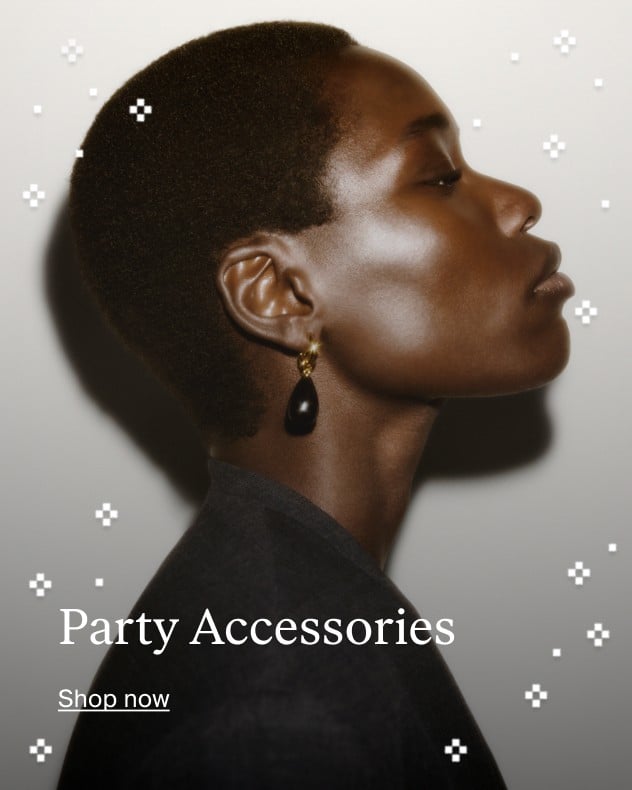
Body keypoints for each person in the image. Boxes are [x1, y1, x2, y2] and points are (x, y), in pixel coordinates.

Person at [57, 20, 574, 789]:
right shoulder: (278, 711)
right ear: (280, 294)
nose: (518, 203)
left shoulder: (287, 615)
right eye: (438, 177)